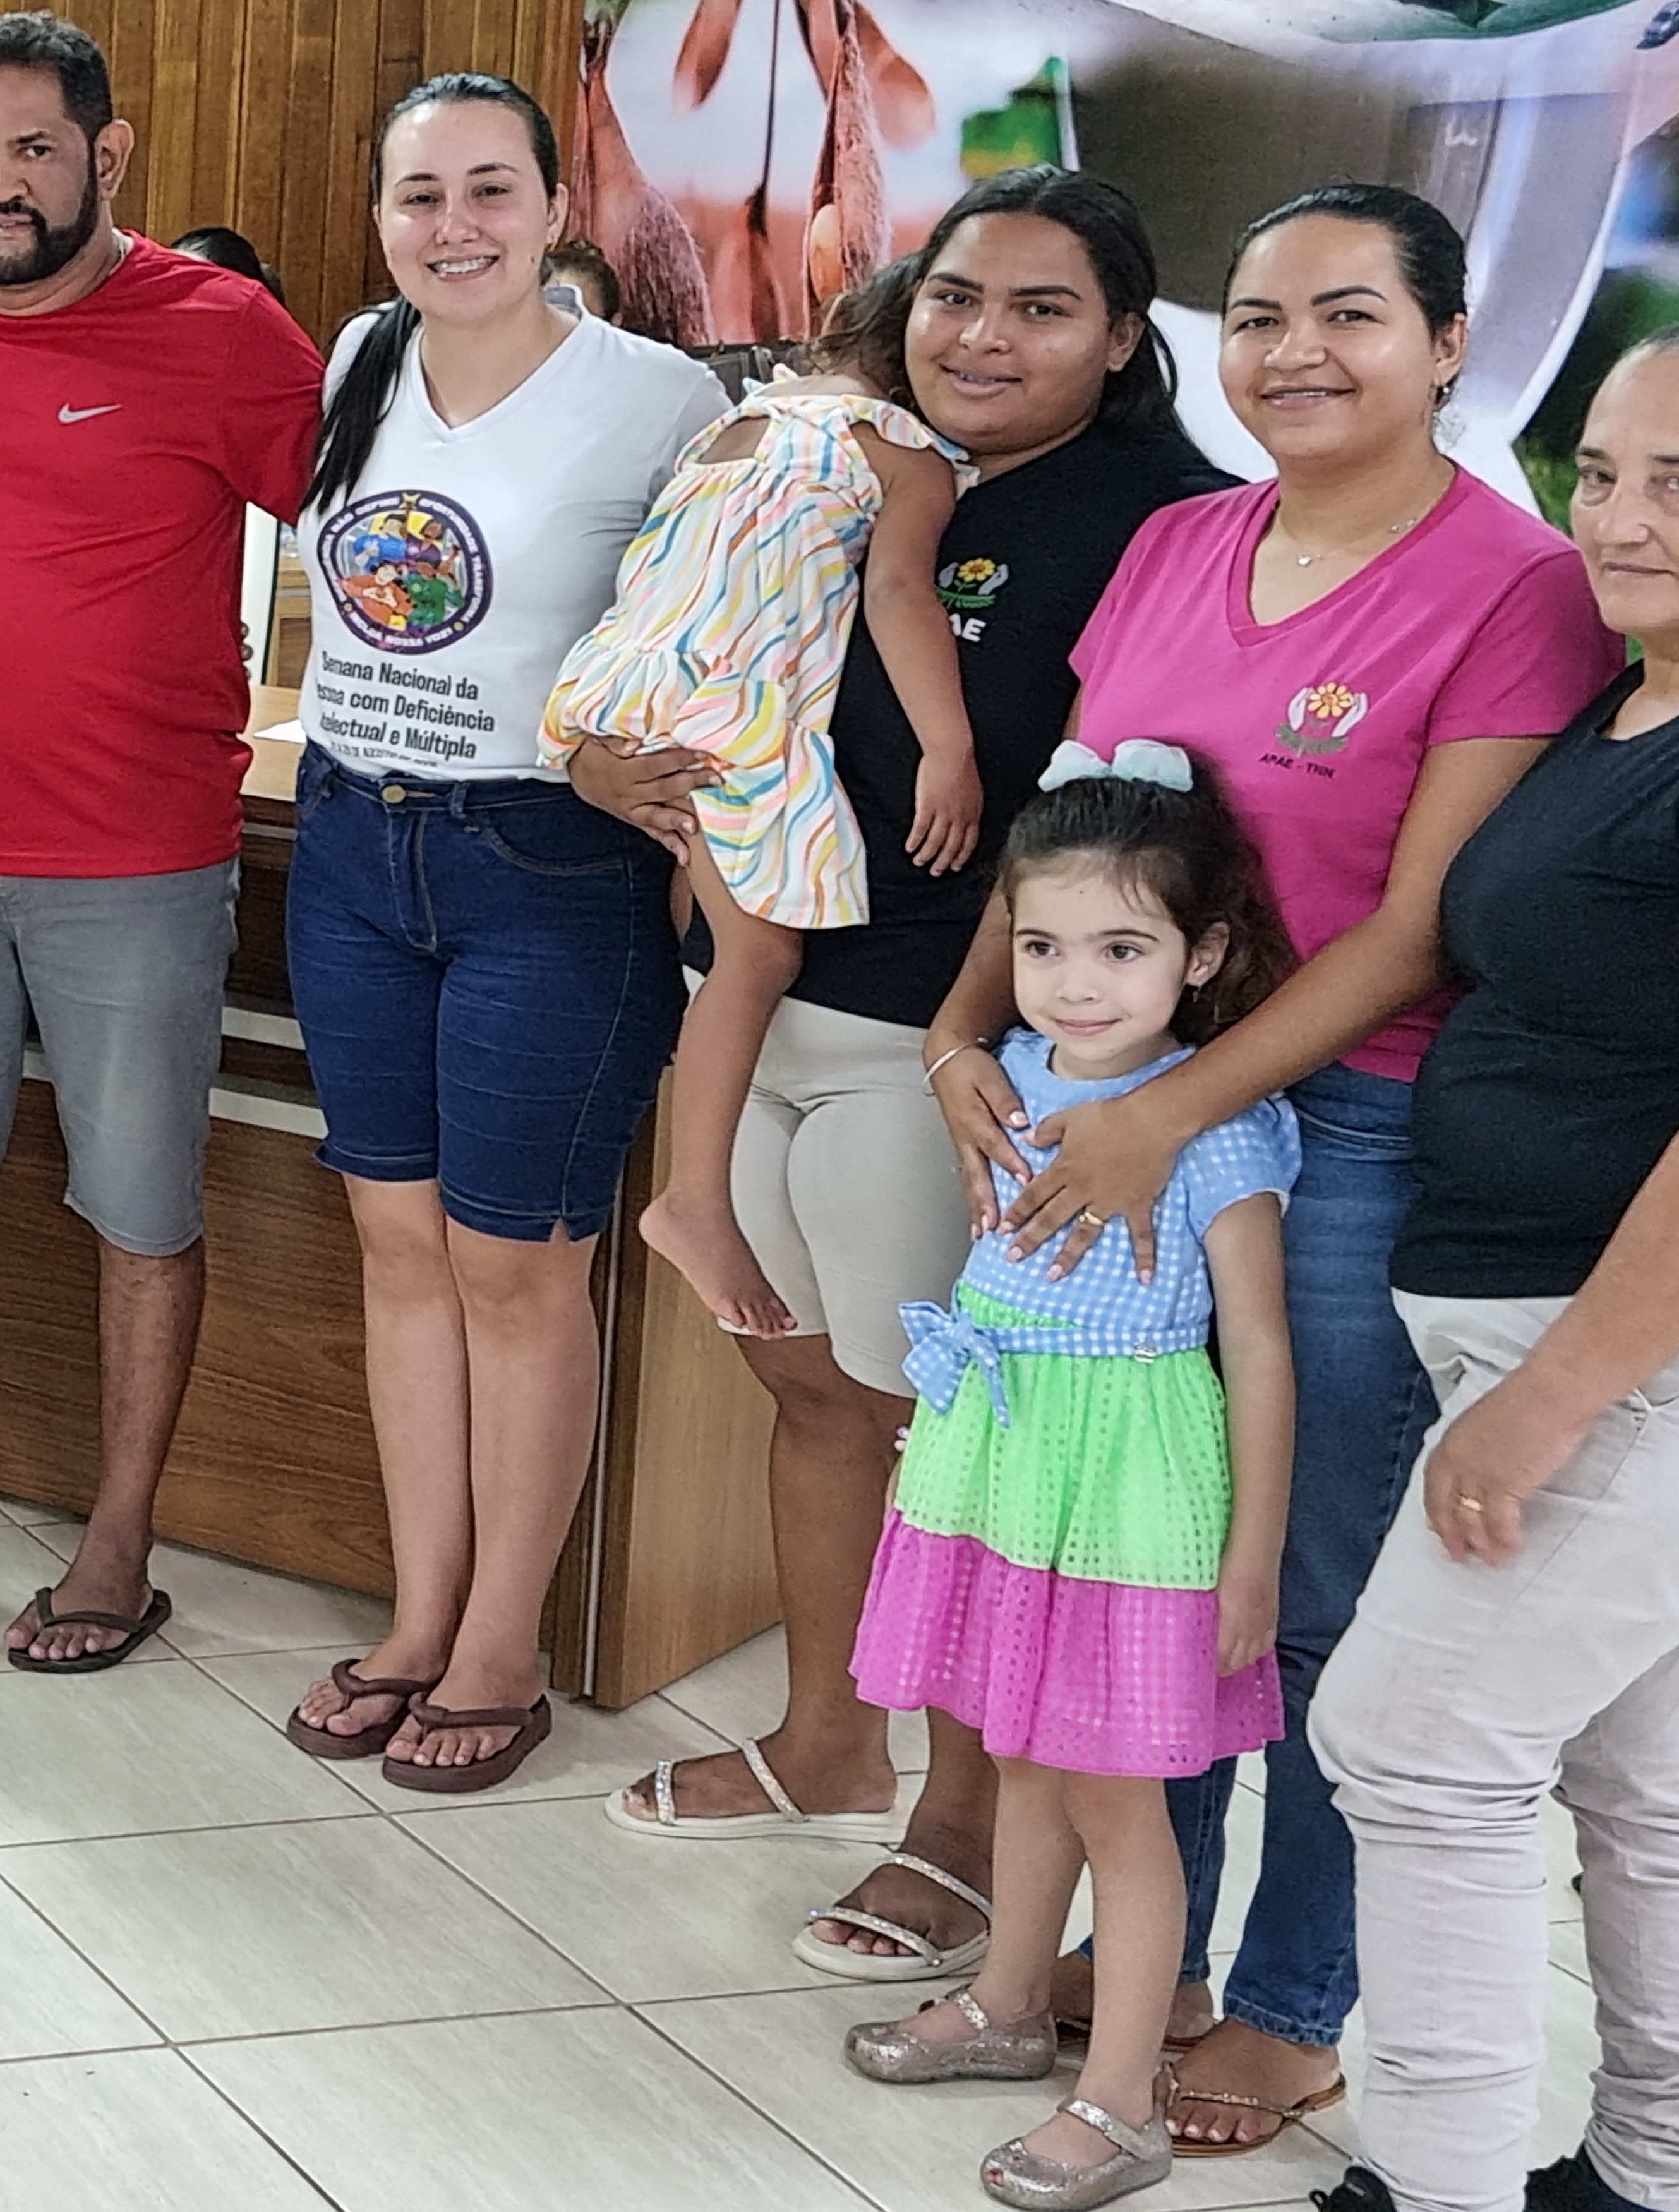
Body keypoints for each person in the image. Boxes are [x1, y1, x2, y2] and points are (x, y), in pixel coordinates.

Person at [934, 186, 1611, 2152]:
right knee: (1145, 1544)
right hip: (1107, 1117)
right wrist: (961, 1030)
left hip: (1346, 1126)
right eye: (1252, 317)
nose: (1290, 353)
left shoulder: (1519, 580)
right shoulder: (1171, 541)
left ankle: (1293, 1994)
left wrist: (1164, 1109)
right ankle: (1167, 1943)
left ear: (1446, 339)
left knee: (1306, 1579)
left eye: (1344, 314)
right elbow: (1067, 833)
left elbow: (1413, 928)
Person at [593, 169, 1239, 2000]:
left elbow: (1097, 835)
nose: (984, 334)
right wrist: (621, 778)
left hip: (931, 1045)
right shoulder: (860, 456)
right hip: (758, 985)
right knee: (812, 1395)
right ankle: (825, 1738)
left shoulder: (1160, 523)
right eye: (958, 294)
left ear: (1124, 338)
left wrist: (973, 1034)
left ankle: (957, 1824)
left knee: (961, 1445)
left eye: (1043, 308)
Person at [1306, 320, 1679, 2212]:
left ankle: (1443, 2185)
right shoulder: (1669, 687)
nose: (1614, 516)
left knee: (1410, 1747)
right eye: (1600, 469)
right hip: (1592, 1335)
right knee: (1648, 1768)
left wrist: (1552, 1394)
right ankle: (1661, 2175)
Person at [0, 12, 321, 1657]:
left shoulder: (226, 327)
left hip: (140, 853)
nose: (3, 184)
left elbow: (384, 512)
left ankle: (120, 1540)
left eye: (37, 148)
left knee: (139, 1206)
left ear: (109, 156)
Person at [272, 76, 723, 1782]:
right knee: (397, 1246)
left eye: (489, 191)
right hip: (351, 839)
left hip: (542, 860)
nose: (453, 226)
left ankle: (501, 1642)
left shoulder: (660, 399)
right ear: (380, 212)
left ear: (552, 204)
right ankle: (417, 1612)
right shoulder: (358, 361)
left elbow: (730, 625)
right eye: (418, 195)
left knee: (516, 1263)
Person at [837, 754, 1300, 2212]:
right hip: (1009, 1452)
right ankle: (1009, 2001)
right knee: (1015, 1748)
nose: (1074, 983)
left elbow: (1264, 1348)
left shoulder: (1211, 1119)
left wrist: (1254, 1560)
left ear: (1201, 952)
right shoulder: (1007, 1072)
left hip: (1129, 1476)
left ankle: (1119, 2099)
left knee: (1118, 1797)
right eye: (1041, 945)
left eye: (1122, 948)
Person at [562, 263, 976, 1344]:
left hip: (624, 679)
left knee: (703, 922)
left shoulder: (740, 422)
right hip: (732, 709)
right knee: (759, 958)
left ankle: (693, 1172)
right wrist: (946, 744)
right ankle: (691, 1194)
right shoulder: (904, 452)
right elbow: (896, 595)